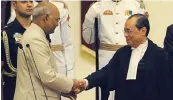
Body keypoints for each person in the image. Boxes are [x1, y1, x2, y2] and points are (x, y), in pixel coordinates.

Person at [79, 14, 171, 100]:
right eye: (125, 31)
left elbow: (166, 89)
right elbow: (106, 73)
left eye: (128, 31)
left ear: (143, 31)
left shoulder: (160, 56)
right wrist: (86, 82)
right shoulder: (122, 53)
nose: (125, 35)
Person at [14, 2, 81, 100]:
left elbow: (38, 76)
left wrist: (62, 90)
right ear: (45, 18)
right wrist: (72, 84)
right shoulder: (34, 39)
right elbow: (47, 76)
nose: (57, 24)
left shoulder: (38, 35)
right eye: (56, 20)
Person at [82, 0, 148, 100]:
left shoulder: (136, 5)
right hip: (105, 58)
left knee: (127, 91)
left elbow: (144, 37)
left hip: (129, 56)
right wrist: (89, 17)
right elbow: (88, 39)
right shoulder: (98, 6)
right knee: (104, 93)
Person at [1, 1, 34, 100]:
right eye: (24, 1)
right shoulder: (6, 33)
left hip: (38, 91)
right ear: (14, 5)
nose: (29, 4)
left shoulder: (41, 30)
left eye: (31, 1)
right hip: (13, 91)